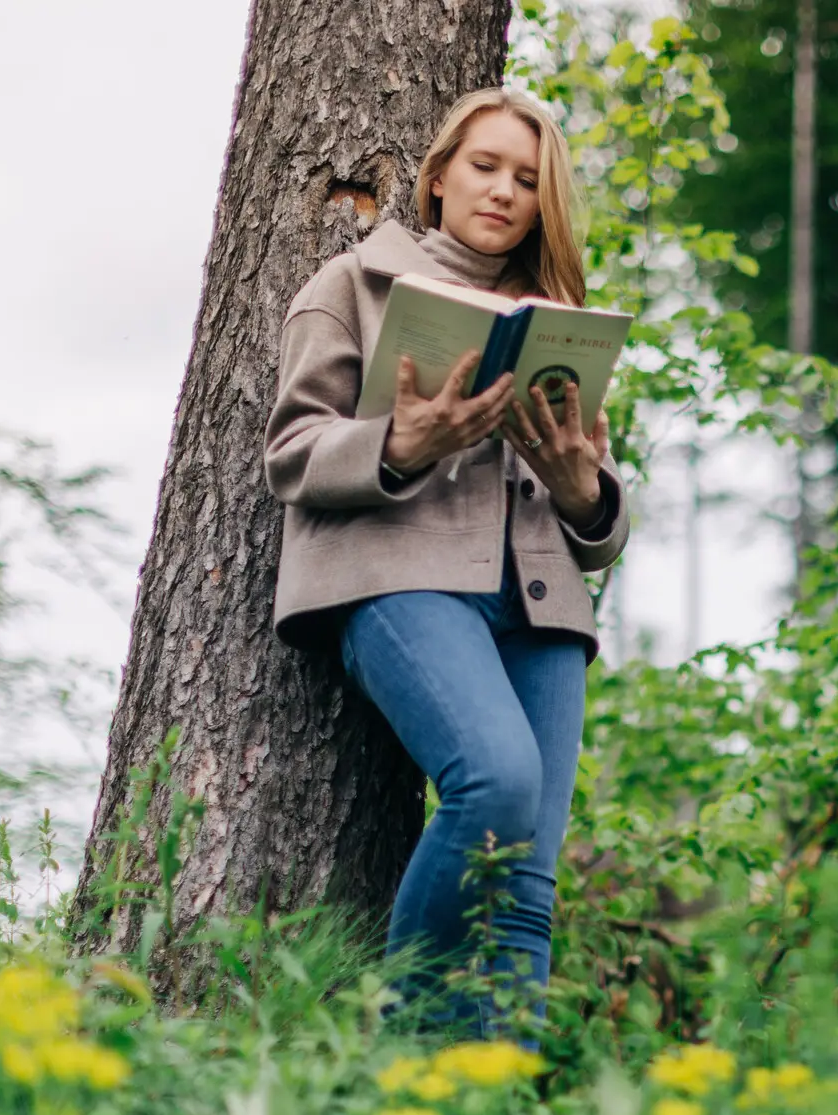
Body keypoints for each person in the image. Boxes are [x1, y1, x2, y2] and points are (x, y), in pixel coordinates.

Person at [261, 87, 629, 1038]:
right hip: (398, 577)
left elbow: (602, 513)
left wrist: (581, 484)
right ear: (435, 178)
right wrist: (402, 442)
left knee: (526, 885)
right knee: (496, 781)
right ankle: (398, 1063)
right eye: (484, 166)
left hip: (540, 602)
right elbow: (292, 451)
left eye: (526, 179)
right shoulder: (351, 285)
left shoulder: (559, 325)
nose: (504, 192)